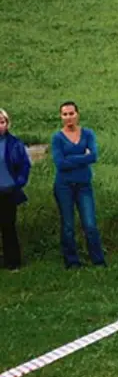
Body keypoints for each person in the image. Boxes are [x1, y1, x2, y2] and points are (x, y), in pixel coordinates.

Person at [51, 101, 106, 268]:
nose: (69, 117)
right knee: (68, 224)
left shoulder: (88, 134)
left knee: (90, 223)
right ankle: (72, 261)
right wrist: (82, 157)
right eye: (65, 114)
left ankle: (98, 260)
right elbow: (60, 163)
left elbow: (94, 156)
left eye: (71, 113)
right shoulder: (57, 138)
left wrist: (72, 159)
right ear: (61, 117)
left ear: (77, 114)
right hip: (64, 186)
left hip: (84, 185)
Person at [0, 108, 32, 271]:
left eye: (1, 122)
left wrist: (18, 183)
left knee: (8, 227)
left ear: (7, 124)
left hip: (8, 191)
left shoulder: (15, 143)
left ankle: (12, 262)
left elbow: (25, 165)